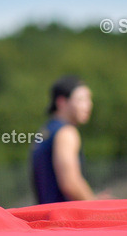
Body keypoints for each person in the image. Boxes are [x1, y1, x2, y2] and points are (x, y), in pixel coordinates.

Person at [30, 75, 107, 203]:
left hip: (46, 215)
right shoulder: (66, 132)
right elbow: (70, 183)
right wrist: (95, 204)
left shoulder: (45, 131)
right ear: (62, 102)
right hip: (63, 219)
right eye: (81, 99)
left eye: (89, 99)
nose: (89, 104)